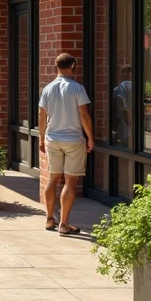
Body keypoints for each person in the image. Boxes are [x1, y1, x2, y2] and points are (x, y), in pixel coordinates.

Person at [38, 53, 94, 237]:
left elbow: (42, 116)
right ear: (73, 65)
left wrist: (41, 138)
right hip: (73, 140)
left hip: (52, 139)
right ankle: (63, 224)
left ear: (56, 66)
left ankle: (48, 219)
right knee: (70, 182)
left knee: (52, 179)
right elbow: (84, 114)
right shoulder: (77, 88)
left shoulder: (47, 89)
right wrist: (90, 137)